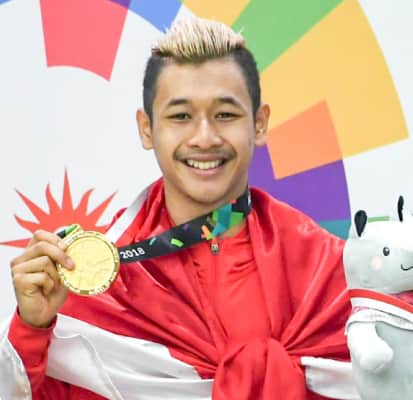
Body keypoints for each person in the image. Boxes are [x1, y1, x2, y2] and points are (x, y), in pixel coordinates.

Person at [0, 17, 353, 400]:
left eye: (225, 115)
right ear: (147, 129)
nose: (204, 138)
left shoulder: (329, 272)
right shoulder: (99, 282)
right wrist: (31, 331)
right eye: (181, 116)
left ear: (259, 124)